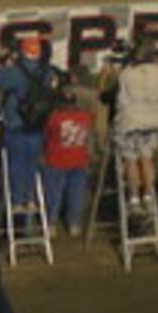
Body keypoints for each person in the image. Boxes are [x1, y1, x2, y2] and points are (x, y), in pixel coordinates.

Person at [0, 35, 57, 210]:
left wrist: (9, 63)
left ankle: (17, 200)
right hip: (38, 125)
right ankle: (30, 197)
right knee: (32, 164)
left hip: (16, 124)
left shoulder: (14, 72)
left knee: (17, 163)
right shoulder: (47, 71)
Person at [113, 41, 158, 215]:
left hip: (131, 120)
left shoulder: (127, 73)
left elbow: (121, 99)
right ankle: (148, 195)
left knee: (131, 160)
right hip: (154, 119)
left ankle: (134, 198)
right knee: (147, 158)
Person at [41, 88, 93, 237]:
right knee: (76, 193)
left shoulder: (55, 117)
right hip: (79, 159)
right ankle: (74, 223)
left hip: (56, 160)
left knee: (53, 193)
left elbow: (46, 135)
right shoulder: (85, 116)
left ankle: (51, 223)